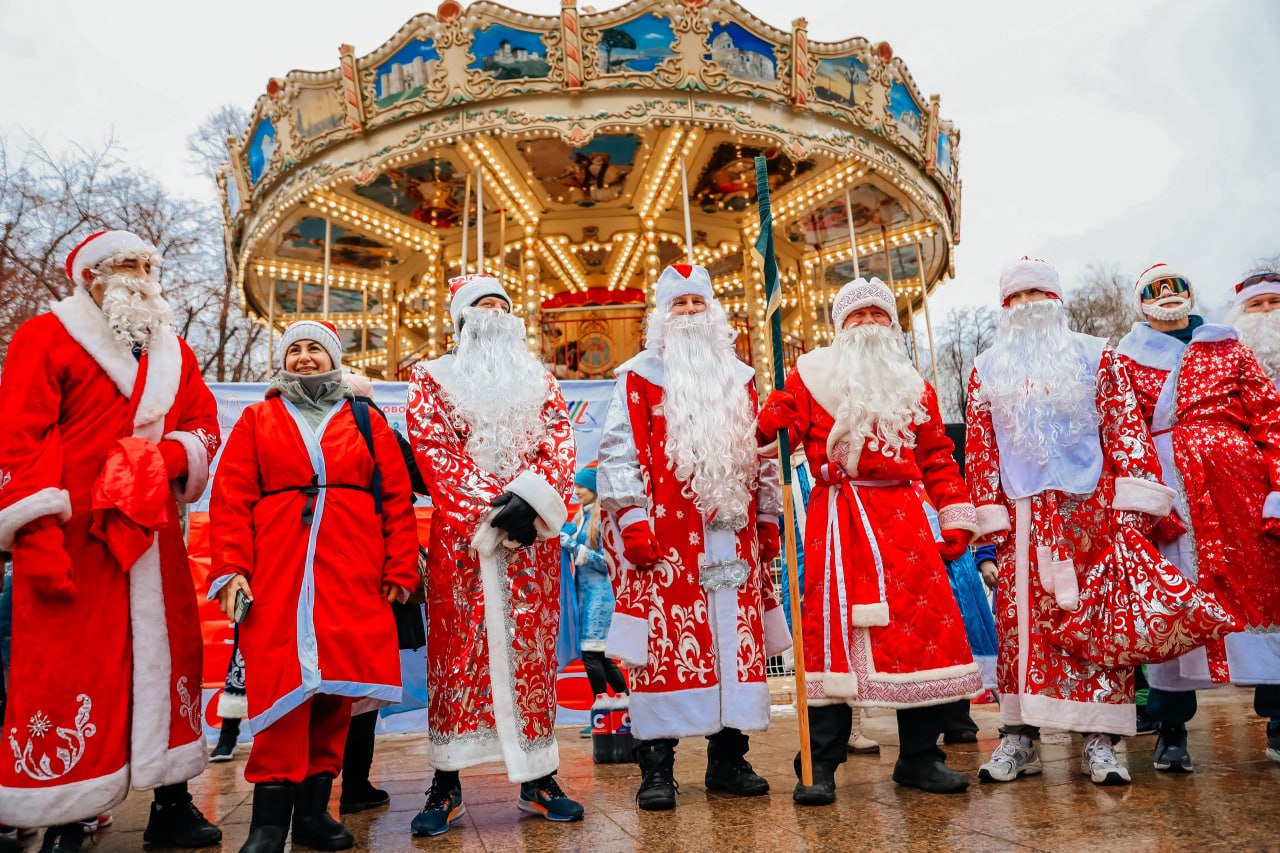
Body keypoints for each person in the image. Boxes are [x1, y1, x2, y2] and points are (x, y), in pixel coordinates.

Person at [0, 230, 223, 852]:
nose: (142, 273)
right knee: (70, 668)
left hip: (150, 536)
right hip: (70, 534)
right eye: (127, 264)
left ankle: (171, 801)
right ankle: (70, 811)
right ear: (90, 276)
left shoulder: (176, 354)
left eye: (150, 264)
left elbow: (203, 424)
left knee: (168, 658)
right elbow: (21, 437)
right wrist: (35, 531)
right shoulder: (43, 337)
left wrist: (171, 455)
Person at [756, 276, 983, 803]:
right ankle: (820, 765)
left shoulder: (916, 387)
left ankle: (921, 757)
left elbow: (938, 459)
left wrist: (955, 516)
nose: (868, 324)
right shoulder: (810, 378)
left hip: (904, 519)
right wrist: (771, 422)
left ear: (892, 324)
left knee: (922, 634)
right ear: (840, 328)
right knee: (828, 639)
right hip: (839, 519)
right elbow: (767, 442)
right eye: (856, 317)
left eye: (877, 315)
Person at [965, 257, 1183, 787]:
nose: (1030, 304)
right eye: (1019, 296)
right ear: (1005, 307)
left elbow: (1126, 430)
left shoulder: (1097, 357)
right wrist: (986, 540)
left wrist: (1132, 515)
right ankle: (1019, 736)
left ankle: (1100, 741)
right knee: (1022, 631)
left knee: (1094, 627)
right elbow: (980, 451)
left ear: (1058, 300)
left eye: (1040, 293)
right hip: (1019, 519)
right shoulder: (987, 368)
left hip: (1092, 513)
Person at [210, 320, 420, 852]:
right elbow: (231, 497)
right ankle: (267, 823)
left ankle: (313, 812)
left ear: (334, 360)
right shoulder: (258, 418)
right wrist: (232, 568)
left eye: (316, 350)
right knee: (281, 685)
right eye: (296, 350)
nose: (305, 358)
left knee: (336, 689)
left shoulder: (364, 419)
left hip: (353, 571)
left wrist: (400, 569)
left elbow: (397, 500)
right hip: (278, 570)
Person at [597, 263, 790, 811]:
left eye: (696, 304)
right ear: (662, 315)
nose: (687, 314)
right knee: (663, 649)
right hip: (667, 543)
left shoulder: (742, 377)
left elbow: (762, 459)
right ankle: (656, 769)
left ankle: (729, 759)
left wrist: (769, 518)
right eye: (678, 305)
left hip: (733, 540)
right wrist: (631, 518)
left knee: (733, 646)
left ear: (713, 313)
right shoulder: (637, 377)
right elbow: (618, 451)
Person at [406, 274, 581, 836]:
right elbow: (433, 449)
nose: (494, 315)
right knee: (456, 660)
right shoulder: (430, 378)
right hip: (463, 545)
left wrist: (529, 506)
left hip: (531, 547)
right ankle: (446, 780)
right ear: (461, 320)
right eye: (482, 307)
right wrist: (493, 510)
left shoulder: (541, 381)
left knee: (532, 660)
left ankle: (540, 777)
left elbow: (558, 444)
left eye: (502, 307)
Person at [1116, 264, 1280, 769]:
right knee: (1173, 603)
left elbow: (1270, 415)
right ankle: (1170, 727)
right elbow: (1121, 432)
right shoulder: (1124, 359)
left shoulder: (1228, 348)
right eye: (1154, 291)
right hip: (1170, 498)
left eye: (1176, 288)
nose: (1167, 297)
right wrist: (1142, 506)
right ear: (1141, 303)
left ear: (1190, 296)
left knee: (1261, 597)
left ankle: (1279, 718)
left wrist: (1277, 488)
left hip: (1240, 494)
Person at [560, 464, 628, 736]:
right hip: (584, 596)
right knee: (601, 655)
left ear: (594, 489)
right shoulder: (580, 519)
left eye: (582, 486)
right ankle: (625, 703)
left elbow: (611, 564)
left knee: (592, 654)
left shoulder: (603, 520)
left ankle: (603, 707)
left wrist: (574, 547)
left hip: (601, 598)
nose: (576, 491)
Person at [1228, 272, 1280, 385]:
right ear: (1240, 314)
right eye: (1255, 305)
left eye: (1275, 301)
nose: (1266, 308)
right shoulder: (1226, 359)